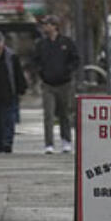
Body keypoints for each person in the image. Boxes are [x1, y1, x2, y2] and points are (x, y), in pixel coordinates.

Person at [32, 15, 79, 154]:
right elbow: (35, 61)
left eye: (47, 24)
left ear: (54, 26)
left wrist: (68, 71)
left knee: (65, 113)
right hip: (48, 84)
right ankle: (49, 144)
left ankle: (66, 141)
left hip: (65, 84)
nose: (44, 27)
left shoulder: (67, 42)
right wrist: (41, 72)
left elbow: (75, 59)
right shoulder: (41, 44)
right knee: (48, 114)